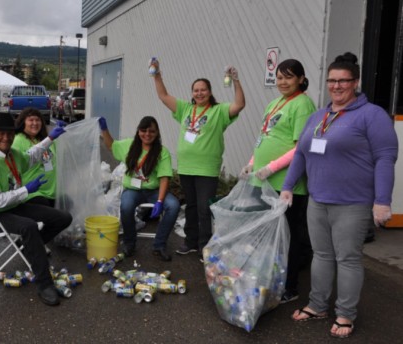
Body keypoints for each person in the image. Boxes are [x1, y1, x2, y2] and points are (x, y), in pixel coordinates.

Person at [280, 52, 398, 339]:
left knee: (347, 259)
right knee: (321, 255)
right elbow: (302, 154)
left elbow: (385, 157)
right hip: (318, 200)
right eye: (332, 81)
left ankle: (345, 313)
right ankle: (318, 305)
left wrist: (382, 200)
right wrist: (287, 186)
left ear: (354, 82)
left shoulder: (372, 115)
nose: (337, 86)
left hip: (353, 203)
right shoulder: (318, 116)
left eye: (343, 81)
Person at [0, 112, 72, 306]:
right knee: (29, 227)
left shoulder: (12, 154)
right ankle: (44, 284)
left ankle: (31, 249)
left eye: (10, 133)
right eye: (1, 133)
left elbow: (31, 156)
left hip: (15, 206)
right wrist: (26, 190)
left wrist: (50, 138)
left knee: (63, 217)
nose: (6, 138)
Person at [239, 59, 316, 304]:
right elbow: (264, 137)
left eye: (289, 77)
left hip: (287, 184)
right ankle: (271, 275)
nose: (283, 82)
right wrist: (253, 162)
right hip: (264, 181)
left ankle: (290, 286)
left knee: (289, 237)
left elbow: (300, 147)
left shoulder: (303, 104)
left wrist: (271, 167)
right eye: (279, 77)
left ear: (301, 79)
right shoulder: (275, 103)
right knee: (269, 234)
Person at [151, 59, 245, 256]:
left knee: (204, 208)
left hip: (207, 169)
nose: (199, 93)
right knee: (191, 207)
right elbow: (163, 96)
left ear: (210, 92)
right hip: (186, 167)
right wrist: (157, 73)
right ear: (192, 93)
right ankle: (190, 241)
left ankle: (204, 245)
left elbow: (239, 104)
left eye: (203, 90)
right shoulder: (186, 109)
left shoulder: (218, 111)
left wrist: (235, 81)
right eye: (196, 90)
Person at [99, 116, 180, 261]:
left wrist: (160, 201)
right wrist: (104, 129)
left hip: (154, 191)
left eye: (151, 131)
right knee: (126, 206)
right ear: (138, 131)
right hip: (133, 190)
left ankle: (159, 245)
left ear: (157, 134)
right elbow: (111, 146)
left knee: (173, 206)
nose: (147, 134)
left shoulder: (162, 152)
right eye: (143, 130)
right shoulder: (129, 145)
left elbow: (164, 178)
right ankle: (130, 243)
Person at [12, 108, 63, 207]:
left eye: (37, 120)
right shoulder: (18, 140)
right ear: (23, 123)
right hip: (33, 194)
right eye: (31, 120)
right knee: (55, 216)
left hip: (52, 192)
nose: (35, 123)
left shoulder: (45, 139)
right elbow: (19, 162)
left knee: (69, 205)